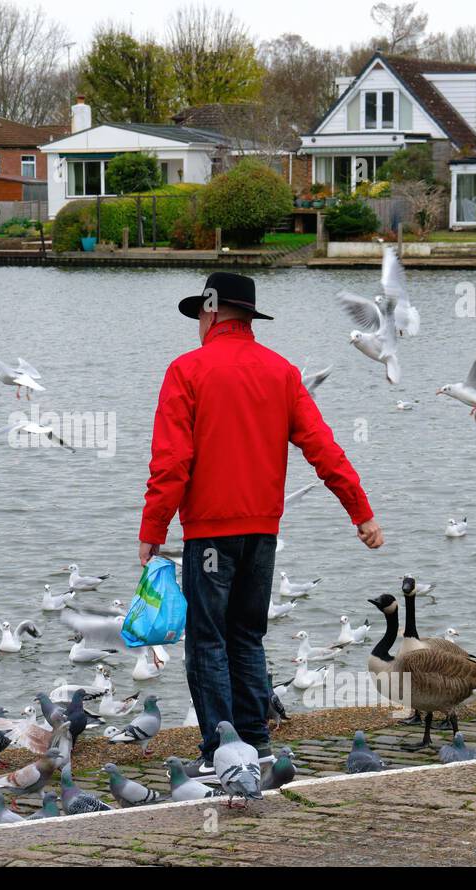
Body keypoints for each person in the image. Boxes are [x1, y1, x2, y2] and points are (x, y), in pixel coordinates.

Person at [139, 272, 381, 776]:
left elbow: (171, 461)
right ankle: (257, 744)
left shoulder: (187, 371)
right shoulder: (282, 372)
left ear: (210, 312)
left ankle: (218, 754)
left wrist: (153, 529)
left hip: (208, 532)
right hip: (262, 532)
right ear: (248, 316)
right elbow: (323, 448)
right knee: (247, 636)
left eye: (198, 316)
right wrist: (360, 511)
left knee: (207, 640)